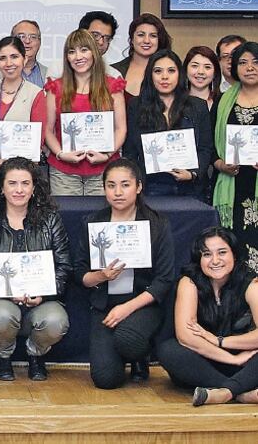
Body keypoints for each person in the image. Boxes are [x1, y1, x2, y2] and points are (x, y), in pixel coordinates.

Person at [0, 158, 71, 381]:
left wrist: (44, 294)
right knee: (1, 316)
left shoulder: (50, 220)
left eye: (25, 183)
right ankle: (3, 357)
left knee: (55, 321)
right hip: (1, 298)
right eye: (12, 183)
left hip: (43, 299)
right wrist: (4, 291)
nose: (19, 189)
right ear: (1, 188)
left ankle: (36, 355)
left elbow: (64, 266)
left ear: (34, 188)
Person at [74, 159, 175, 389]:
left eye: (125, 185)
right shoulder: (93, 222)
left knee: (128, 340)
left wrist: (126, 309)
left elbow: (164, 280)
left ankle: (140, 355)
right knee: (105, 379)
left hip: (143, 303)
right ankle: (121, 356)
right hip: (105, 305)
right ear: (104, 188)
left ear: (138, 187)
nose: (117, 192)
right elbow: (79, 273)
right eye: (111, 185)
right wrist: (101, 276)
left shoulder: (157, 224)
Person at [156, 227, 258, 406]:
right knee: (169, 350)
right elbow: (186, 336)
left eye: (222, 252)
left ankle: (224, 393)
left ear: (234, 255)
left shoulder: (251, 283)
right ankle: (238, 393)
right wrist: (231, 359)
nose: (215, 261)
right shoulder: (189, 282)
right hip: (205, 362)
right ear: (199, 259)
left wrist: (220, 341)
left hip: (245, 359)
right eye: (207, 254)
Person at [44, 29, 126, 196]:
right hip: (64, 171)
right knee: (66, 218)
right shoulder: (56, 87)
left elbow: (121, 128)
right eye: (72, 52)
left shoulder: (112, 86)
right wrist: (61, 154)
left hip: (104, 168)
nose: (78, 56)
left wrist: (108, 154)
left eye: (84, 50)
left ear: (94, 52)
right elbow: (47, 129)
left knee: (99, 219)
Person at [123, 50, 213, 198]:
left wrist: (192, 174)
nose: (165, 77)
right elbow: (130, 151)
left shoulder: (197, 106)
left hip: (189, 186)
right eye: (158, 71)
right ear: (150, 75)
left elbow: (205, 148)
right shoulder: (136, 105)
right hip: (150, 186)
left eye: (171, 71)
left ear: (180, 74)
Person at [0, 36, 47, 195]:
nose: (8, 63)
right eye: (2, 58)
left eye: (14, 56)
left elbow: (38, 140)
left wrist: (13, 165)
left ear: (25, 58)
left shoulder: (36, 94)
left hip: (20, 176)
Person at [212, 41, 258, 268]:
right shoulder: (223, 101)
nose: (250, 67)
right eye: (243, 62)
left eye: (256, 62)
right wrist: (220, 163)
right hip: (233, 185)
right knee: (235, 246)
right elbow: (209, 145)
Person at [112, 13, 172, 98]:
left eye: (153, 36)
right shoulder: (113, 71)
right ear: (132, 39)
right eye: (141, 35)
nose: (146, 40)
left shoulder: (171, 72)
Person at [0, 20, 48, 87]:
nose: (27, 41)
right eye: (21, 36)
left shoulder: (50, 74)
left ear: (39, 42)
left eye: (33, 37)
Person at [184, 45, 222, 111]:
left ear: (215, 73)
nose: (201, 72)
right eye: (195, 66)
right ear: (186, 69)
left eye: (207, 67)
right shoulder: (175, 101)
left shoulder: (223, 102)